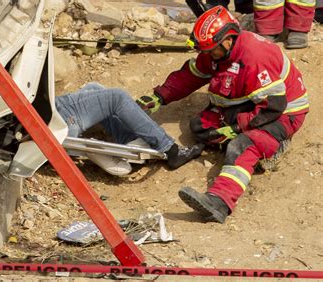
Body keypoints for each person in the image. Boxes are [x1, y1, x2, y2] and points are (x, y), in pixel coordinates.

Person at [136, 6, 309, 223]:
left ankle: (219, 202)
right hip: (250, 102)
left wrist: (237, 128)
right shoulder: (217, 50)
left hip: (282, 113)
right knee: (199, 126)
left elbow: (273, 106)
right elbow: (191, 75)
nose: (207, 56)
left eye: (211, 50)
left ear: (228, 39)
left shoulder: (255, 57)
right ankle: (240, 143)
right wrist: (159, 97)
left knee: (242, 145)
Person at [55, 83, 204, 176]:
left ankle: (132, 142)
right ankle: (171, 151)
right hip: (60, 119)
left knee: (94, 88)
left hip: (55, 112)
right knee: (117, 97)